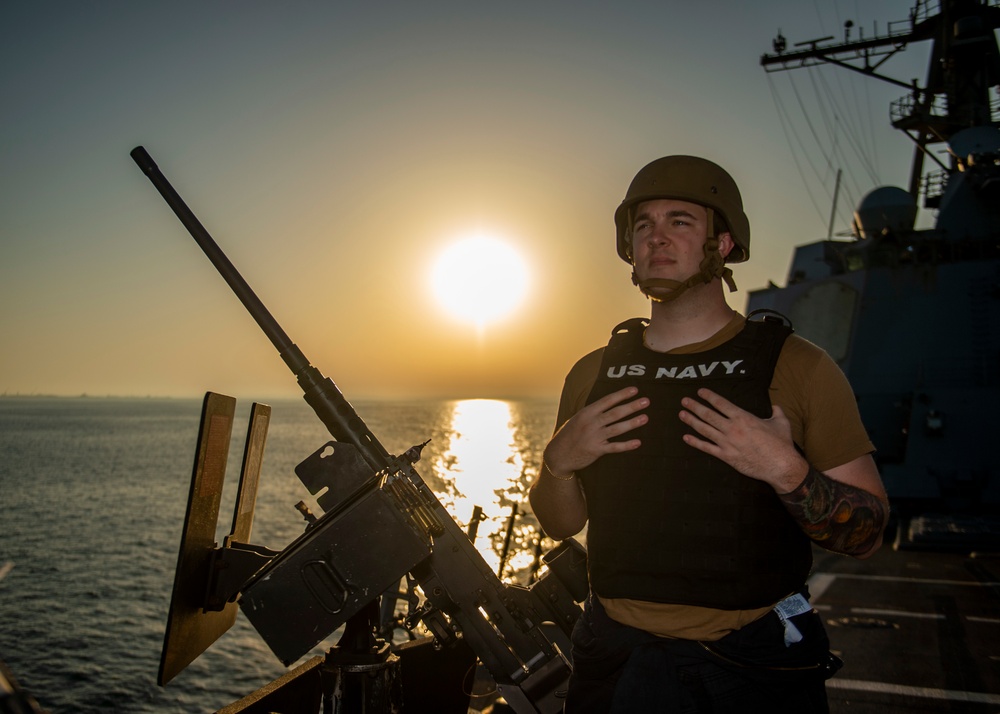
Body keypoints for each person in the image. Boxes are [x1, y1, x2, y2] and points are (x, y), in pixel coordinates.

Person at [528, 155, 888, 713]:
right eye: (643, 224)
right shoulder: (593, 372)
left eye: (680, 221)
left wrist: (784, 470)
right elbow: (561, 523)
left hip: (747, 666)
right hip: (612, 656)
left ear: (722, 245)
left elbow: (866, 536)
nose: (657, 238)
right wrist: (559, 462)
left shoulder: (796, 367)